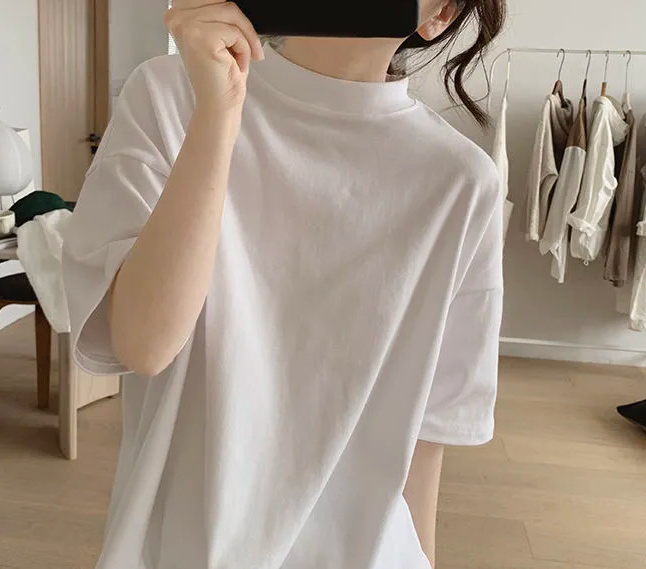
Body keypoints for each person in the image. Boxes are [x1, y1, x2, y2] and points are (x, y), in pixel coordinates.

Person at [62, 0, 506, 567]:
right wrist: (218, 115)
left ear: (441, 12)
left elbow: (427, 435)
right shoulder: (171, 94)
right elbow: (143, 344)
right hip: (180, 547)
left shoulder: (461, 182)